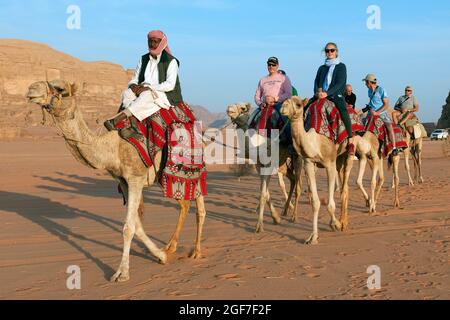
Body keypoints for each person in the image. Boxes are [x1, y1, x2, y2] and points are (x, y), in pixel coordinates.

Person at [104, 30, 183, 135]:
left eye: (156, 42)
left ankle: (118, 119)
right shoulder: (143, 59)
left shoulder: (171, 61)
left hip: (163, 93)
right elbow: (135, 78)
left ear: (162, 43)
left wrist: (150, 88)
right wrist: (133, 86)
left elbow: (170, 84)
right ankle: (133, 122)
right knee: (127, 93)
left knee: (147, 95)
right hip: (142, 89)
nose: (152, 44)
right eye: (150, 41)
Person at [309, 42, 355, 155]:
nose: (329, 52)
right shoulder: (322, 68)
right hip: (320, 95)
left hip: (335, 95)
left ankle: (350, 140)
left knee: (343, 110)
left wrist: (327, 93)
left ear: (336, 51)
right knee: (304, 108)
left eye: (332, 50)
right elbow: (316, 81)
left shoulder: (341, 66)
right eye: (327, 50)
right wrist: (317, 91)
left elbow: (340, 83)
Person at [362, 74, 399, 156]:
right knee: (361, 125)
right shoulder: (369, 91)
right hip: (371, 113)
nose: (365, 84)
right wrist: (368, 109)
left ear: (369, 82)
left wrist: (377, 113)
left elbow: (386, 105)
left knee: (389, 126)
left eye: (365, 82)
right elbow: (371, 103)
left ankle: (394, 147)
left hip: (382, 113)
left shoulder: (381, 90)